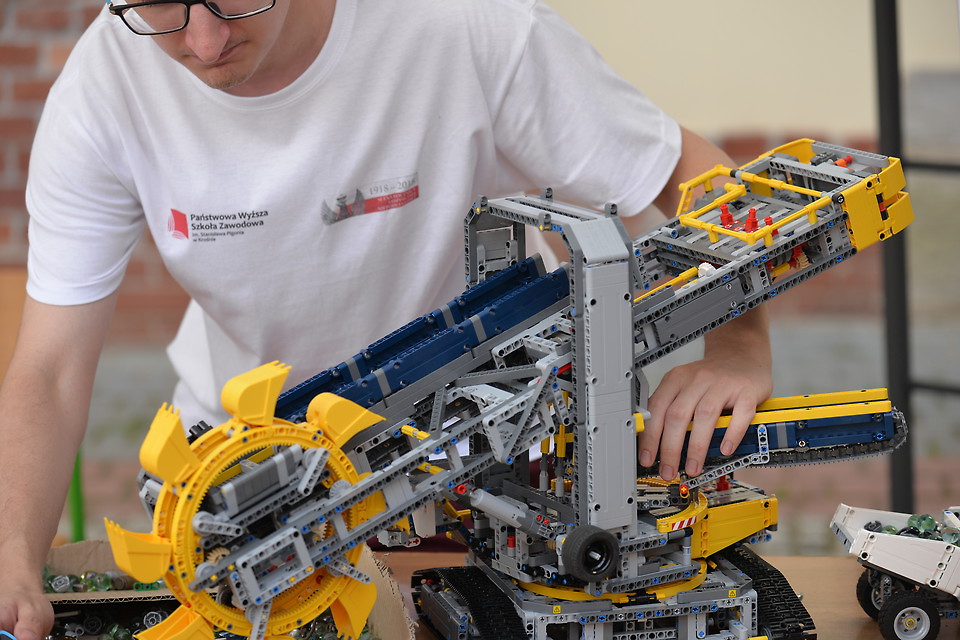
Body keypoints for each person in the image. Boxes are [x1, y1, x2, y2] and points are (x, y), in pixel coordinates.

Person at [0, 1, 772, 638]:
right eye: (159, 5)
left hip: (484, 468)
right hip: (248, 489)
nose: (202, 40)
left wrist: (738, 343)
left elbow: (684, 173)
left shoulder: (465, 25)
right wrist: (9, 554)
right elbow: (51, 368)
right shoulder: (106, 84)